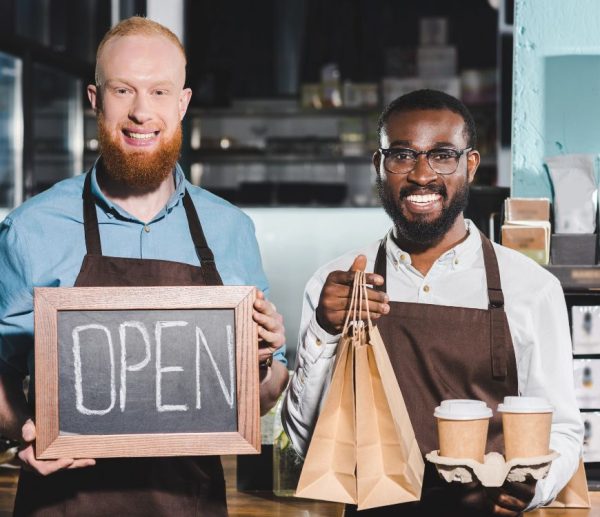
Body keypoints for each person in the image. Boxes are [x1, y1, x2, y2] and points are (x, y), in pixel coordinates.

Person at [0, 16, 288, 517]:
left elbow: (258, 398)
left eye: (159, 92)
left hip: (189, 503)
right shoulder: (31, 228)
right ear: (94, 99)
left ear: (182, 103)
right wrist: (23, 430)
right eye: (123, 90)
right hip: (62, 504)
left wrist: (265, 359)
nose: (140, 112)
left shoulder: (230, 229)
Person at [283, 89, 583, 516]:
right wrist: (323, 331)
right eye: (403, 155)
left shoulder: (531, 288)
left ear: (470, 165)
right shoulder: (336, 286)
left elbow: (565, 429)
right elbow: (304, 441)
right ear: (379, 166)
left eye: (443, 155)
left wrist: (533, 489)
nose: (422, 175)